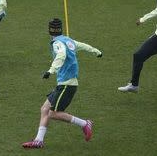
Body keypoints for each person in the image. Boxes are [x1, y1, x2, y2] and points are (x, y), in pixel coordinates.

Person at [22, 18, 102, 149]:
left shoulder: (57, 43)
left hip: (67, 84)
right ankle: (38, 140)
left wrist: (50, 71)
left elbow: (61, 55)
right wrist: (96, 51)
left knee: (53, 113)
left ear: (49, 30)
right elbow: (83, 45)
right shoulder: (68, 40)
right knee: (45, 109)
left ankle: (85, 123)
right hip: (64, 83)